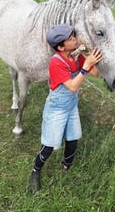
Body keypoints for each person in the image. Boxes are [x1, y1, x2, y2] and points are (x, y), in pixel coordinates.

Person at [28, 24, 103, 193]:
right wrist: (84, 68)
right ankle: (35, 172)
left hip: (71, 106)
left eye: (74, 36)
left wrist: (89, 57)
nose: (75, 39)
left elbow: (96, 74)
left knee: (73, 137)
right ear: (61, 47)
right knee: (49, 144)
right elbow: (72, 87)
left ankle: (66, 166)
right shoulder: (57, 62)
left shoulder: (76, 56)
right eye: (71, 39)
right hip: (56, 108)